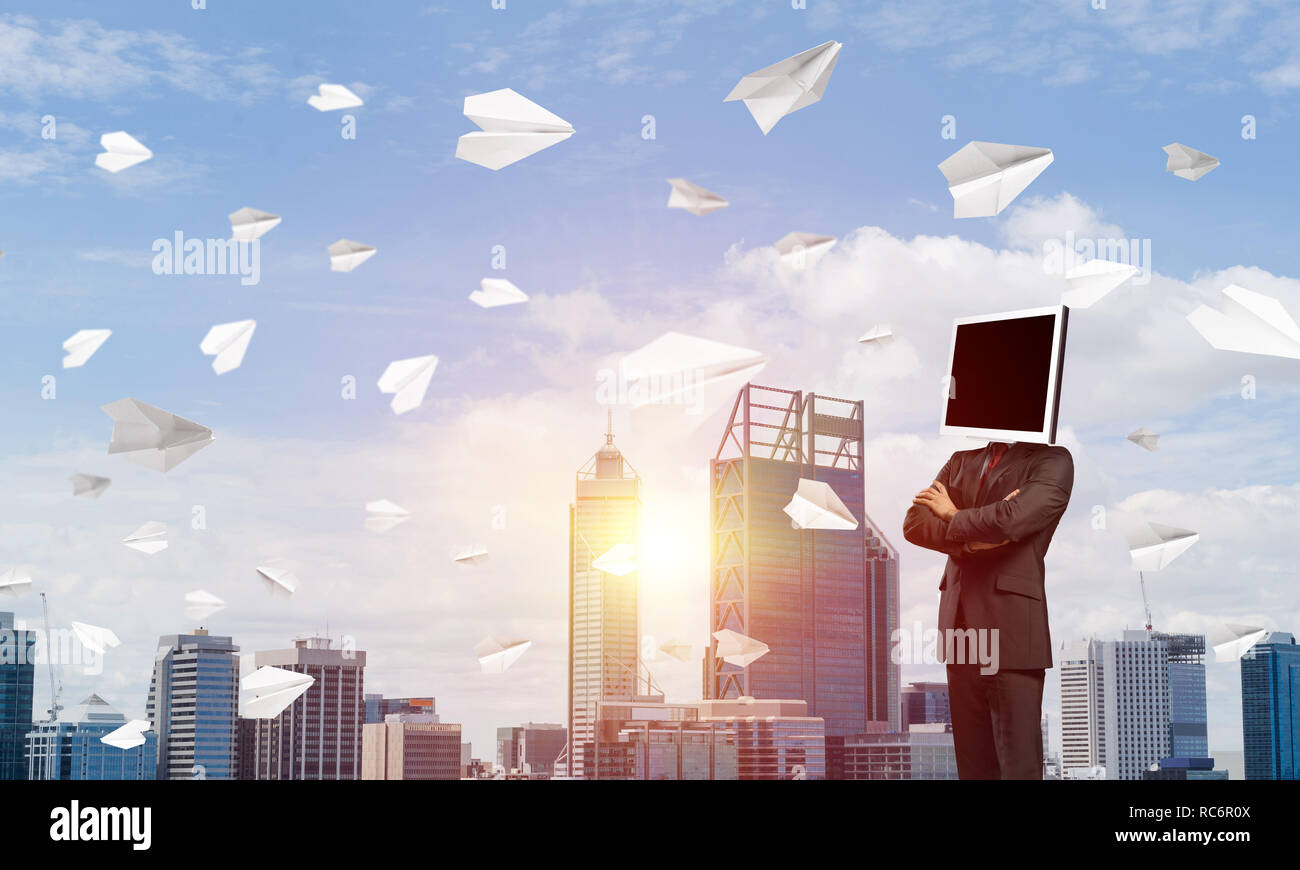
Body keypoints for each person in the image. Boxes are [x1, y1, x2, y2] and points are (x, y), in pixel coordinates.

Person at [903, 440, 1073, 779]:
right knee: (974, 768)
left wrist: (951, 513)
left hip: (1010, 628)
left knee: (1017, 767)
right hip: (959, 627)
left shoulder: (1052, 460)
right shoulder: (959, 461)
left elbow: (1013, 521)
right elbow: (914, 524)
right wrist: (974, 537)